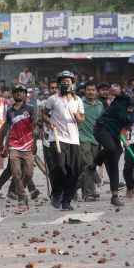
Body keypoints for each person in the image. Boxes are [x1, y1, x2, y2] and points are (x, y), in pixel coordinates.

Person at [43, 71, 85, 211]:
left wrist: (77, 117)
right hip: (57, 138)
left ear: (73, 84)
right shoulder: (53, 99)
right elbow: (44, 114)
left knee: (74, 171)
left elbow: (81, 120)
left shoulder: (77, 100)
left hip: (74, 140)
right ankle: (57, 192)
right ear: (59, 83)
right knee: (60, 167)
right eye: (63, 81)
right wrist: (50, 122)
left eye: (68, 81)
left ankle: (66, 201)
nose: (66, 84)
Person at [93, 87, 134, 207]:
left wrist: (125, 135)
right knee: (112, 149)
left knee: (115, 158)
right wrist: (118, 92)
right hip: (101, 129)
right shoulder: (121, 100)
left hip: (114, 135)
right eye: (133, 95)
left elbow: (128, 125)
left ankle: (114, 196)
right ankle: (95, 162)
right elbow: (121, 94)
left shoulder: (133, 113)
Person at [0, 85, 37, 208]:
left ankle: (18, 190)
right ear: (13, 95)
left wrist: (35, 141)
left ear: (25, 95)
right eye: (16, 92)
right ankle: (22, 196)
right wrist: (2, 144)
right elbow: (6, 128)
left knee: (29, 173)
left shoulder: (31, 109)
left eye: (21, 92)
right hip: (14, 146)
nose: (19, 94)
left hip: (28, 145)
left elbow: (35, 126)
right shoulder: (10, 111)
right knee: (16, 173)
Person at [77, 82, 104, 202]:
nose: (91, 92)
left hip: (96, 139)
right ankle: (89, 192)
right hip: (82, 138)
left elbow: (102, 121)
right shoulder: (79, 104)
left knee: (89, 167)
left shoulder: (100, 105)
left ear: (96, 92)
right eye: (88, 90)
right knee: (89, 164)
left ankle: (73, 187)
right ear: (85, 91)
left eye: (93, 90)